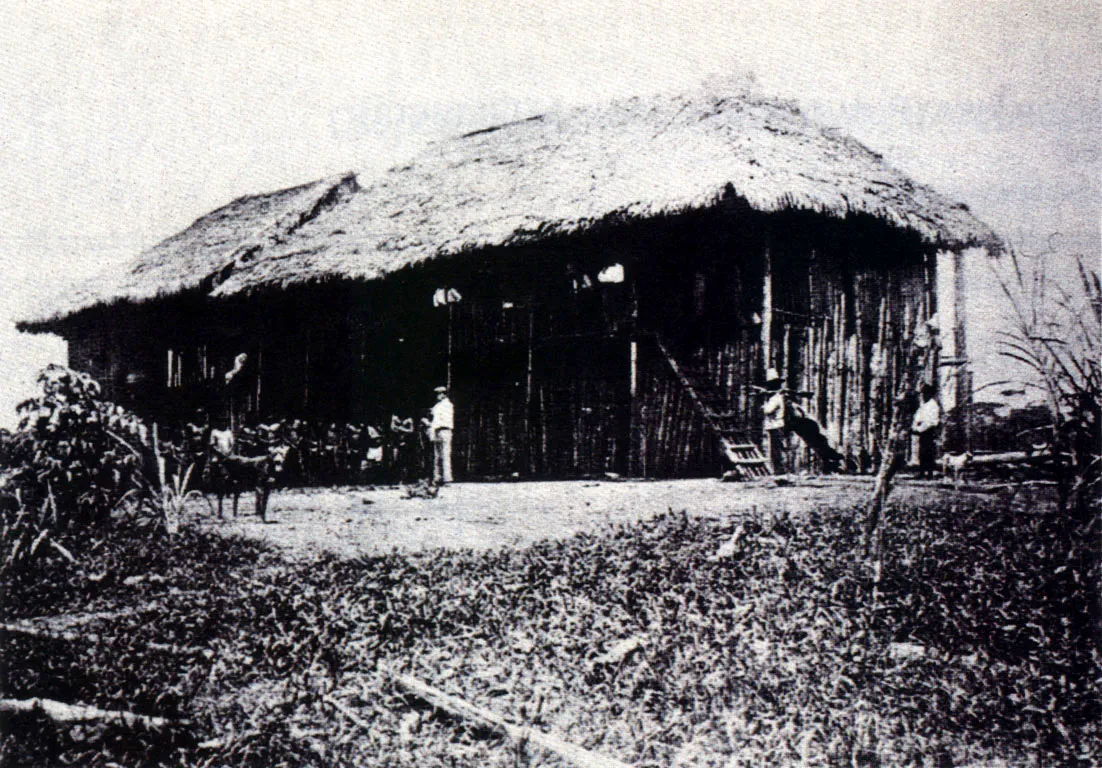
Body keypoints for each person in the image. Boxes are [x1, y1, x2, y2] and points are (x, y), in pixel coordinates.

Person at [423, 386, 454, 485]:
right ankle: (438, 477)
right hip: (437, 430)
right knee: (438, 455)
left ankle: (447, 478)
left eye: (440, 394)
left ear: (444, 394)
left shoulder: (447, 405)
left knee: (445, 454)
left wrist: (429, 424)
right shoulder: (438, 405)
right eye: (437, 394)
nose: (437, 396)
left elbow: (438, 420)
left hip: (444, 430)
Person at [912, 383, 942, 479]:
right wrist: (915, 427)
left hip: (929, 431)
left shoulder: (933, 406)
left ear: (929, 394)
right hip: (923, 431)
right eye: (922, 394)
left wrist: (919, 429)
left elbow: (930, 422)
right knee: (922, 452)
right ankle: (921, 472)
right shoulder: (923, 405)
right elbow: (917, 418)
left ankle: (929, 473)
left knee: (929, 452)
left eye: (925, 393)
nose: (923, 396)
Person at [762, 368, 788, 475]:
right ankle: (778, 472)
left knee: (776, 451)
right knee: (776, 451)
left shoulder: (775, 398)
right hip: (776, 426)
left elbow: (768, 410)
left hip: (775, 426)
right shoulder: (776, 397)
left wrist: (763, 405)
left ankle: (779, 473)